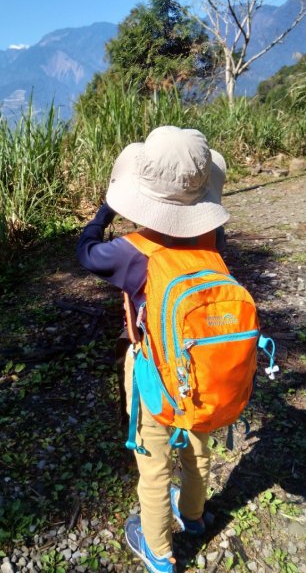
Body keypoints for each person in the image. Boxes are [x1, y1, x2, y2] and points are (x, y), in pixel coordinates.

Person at [76, 126, 229, 573]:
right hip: (201, 365)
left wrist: (107, 208)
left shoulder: (132, 253)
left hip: (155, 372)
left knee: (154, 462)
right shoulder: (213, 239)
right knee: (197, 445)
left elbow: (86, 252)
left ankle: (159, 552)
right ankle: (196, 517)